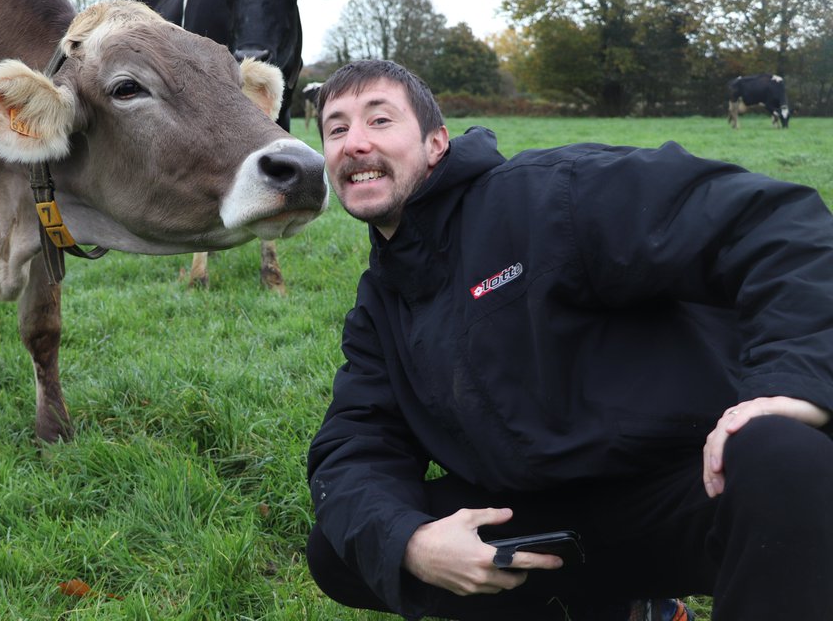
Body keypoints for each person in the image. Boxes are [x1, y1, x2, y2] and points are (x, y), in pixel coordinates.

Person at [305, 59, 833, 621]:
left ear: (437, 143)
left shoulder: (551, 195)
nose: (354, 143)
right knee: (340, 548)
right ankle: (628, 611)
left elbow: (773, 226)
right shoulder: (381, 303)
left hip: (688, 483)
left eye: (379, 120)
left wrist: (790, 383)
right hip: (548, 527)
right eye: (336, 129)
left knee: (782, 453)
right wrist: (410, 541)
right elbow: (356, 443)